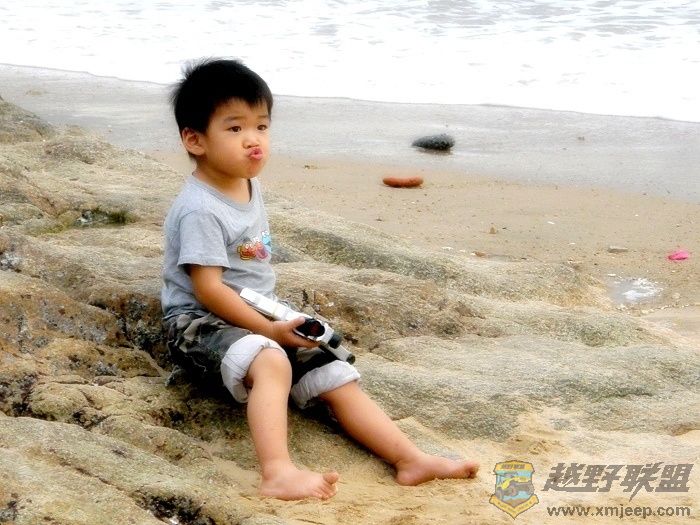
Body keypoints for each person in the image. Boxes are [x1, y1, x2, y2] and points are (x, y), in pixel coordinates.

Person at [161, 58, 479, 501]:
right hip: (198, 321)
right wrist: (269, 331)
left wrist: (275, 324)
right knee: (272, 361)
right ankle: (277, 471)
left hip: (254, 310)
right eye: (235, 129)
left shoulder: (244, 182)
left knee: (329, 364)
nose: (253, 140)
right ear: (194, 140)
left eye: (261, 127)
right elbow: (208, 289)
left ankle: (409, 459)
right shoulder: (200, 208)